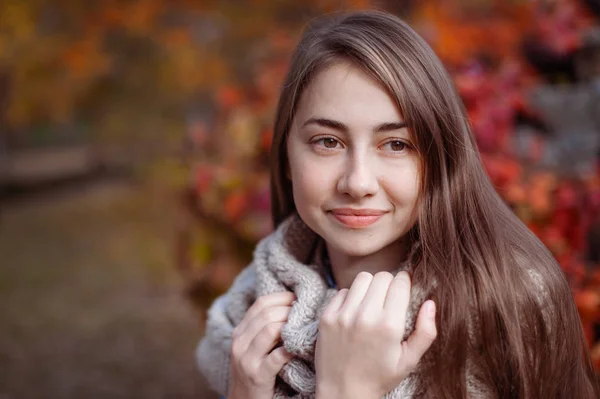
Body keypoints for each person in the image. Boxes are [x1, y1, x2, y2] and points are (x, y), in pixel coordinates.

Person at [196, 9, 600, 399]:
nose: (357, 183)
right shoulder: (252, 306)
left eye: (396, 144)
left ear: (438, 158)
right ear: (286, 158)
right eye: (328, 142)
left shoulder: (511, 306)